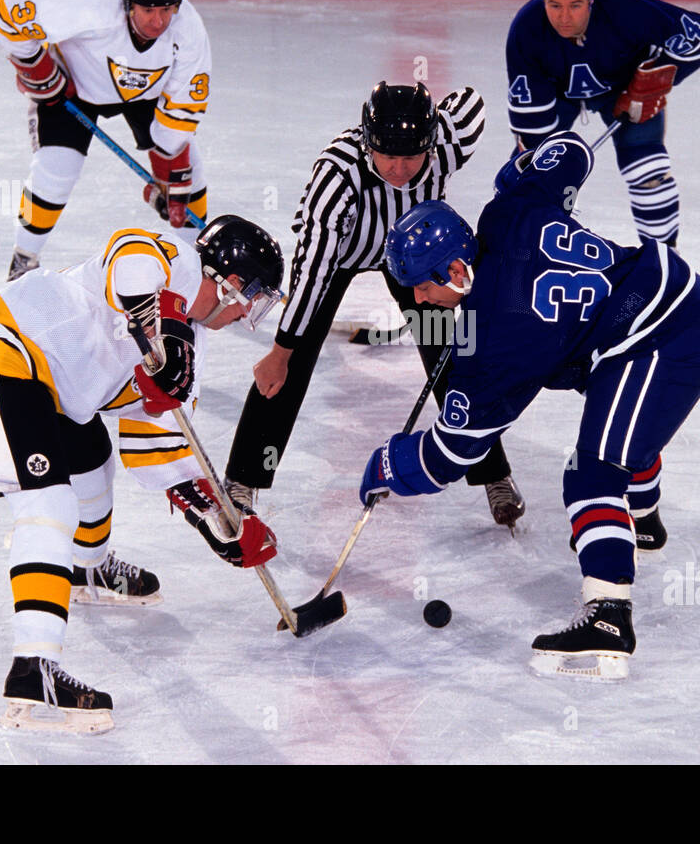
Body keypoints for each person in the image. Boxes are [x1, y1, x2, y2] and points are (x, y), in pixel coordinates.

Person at [359, 131, 700, 680]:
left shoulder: (493, 347)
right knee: (619, 419)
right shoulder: (507, 211)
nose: (416, 298)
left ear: (458, 272)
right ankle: (643, 520)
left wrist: (388, 463)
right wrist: (519, 173)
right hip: (678, 297)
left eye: (420, 286)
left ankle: (608, 619)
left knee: (591, 473)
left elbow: (449, 456)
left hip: (662, 337)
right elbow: (573, 153)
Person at [0, 216, 284, 732]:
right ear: (230, 282)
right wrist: (160, 326)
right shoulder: (178, 263)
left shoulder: (193, 348)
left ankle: (89, 567)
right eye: (251, 299)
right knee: (49, 507)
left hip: (53, 388)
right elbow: (128, 251)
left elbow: (155, 443)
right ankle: (33, 668)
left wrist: (219, 522)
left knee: (94, 463)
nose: (246, 315)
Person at [223, 81, 527, 530]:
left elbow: (471, 103)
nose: (401, 169)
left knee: (451, 357)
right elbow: (314, 270)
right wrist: (282, 351)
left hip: (412, 257)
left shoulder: (445, 140)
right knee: (289, 368)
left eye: (412, 157)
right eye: (388, 156)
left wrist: (528, 135)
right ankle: (243, 479)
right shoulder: (337, 176)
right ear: (367, 143)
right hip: (342, 255)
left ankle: (494, 475)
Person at [0, 0, 212, 281]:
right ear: (128, 3)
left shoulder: (188, 31)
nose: (158, 21)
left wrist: (171, 172)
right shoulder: (92, 4)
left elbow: (180, 109)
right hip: (75, 87)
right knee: (57, 168)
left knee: (188, 167)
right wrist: (38, 68)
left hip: (147, 96)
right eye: (148, 9)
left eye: (167, 9)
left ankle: (196, 265)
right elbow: (10, 11)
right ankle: (24, 259)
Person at [506, 0, 700, 246]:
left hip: (624, 89)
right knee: (532, 174)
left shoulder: (624, 11)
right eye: (554, 5)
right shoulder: (526, 29)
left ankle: (665, 259)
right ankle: (522, 253)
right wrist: (542, 162)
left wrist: (657, 74)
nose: (564, 18)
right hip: (555, 95)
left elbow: (696, 35)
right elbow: (532, 125)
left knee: (647, 171)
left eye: (575, 5)